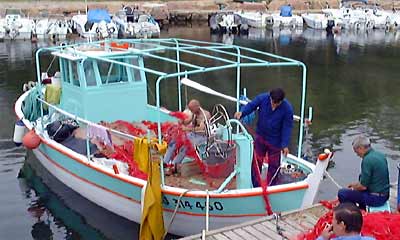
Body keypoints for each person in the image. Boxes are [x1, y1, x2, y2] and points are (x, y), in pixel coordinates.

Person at [234, 88, 293, 186]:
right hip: (260, 137)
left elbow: (287, 127)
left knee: (274, 166)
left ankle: (271, 186)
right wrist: (242, 112)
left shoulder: (287, 109)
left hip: (275, 142)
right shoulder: (262, 98)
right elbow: (252, 105)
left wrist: (285, 144)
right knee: (256, 162)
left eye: (276, 103)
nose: (273, 105)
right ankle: (255, 185)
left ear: (281, 101)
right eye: (272, 102)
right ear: (270, 98)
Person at [338, 135, 390, 210]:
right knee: (360, 179)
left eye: (356, 152)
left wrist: (353, 188)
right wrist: (355, 185)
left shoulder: (367, 160)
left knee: (342, 193)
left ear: (361, 148)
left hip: (376, 199)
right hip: (385, 195)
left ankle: (354, 212)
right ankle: (362, 207)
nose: (357, 155)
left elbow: (363, 187)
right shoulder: (380, 155)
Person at [163, 99, 210, 167]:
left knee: (186, 146)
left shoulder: (205, 114)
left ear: (196, 107)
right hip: (193, 134)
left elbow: (201, 128)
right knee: (174, 141)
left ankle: (174, 164)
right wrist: (181, 120)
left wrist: (187, 129)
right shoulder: (194, 113)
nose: (190, 111)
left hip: (202, 137)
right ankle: (165, 161)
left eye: (191, 109)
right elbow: (187, 121)